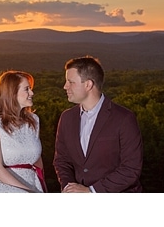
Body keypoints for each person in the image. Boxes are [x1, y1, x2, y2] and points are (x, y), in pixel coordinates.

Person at [54, 56, 142, 193]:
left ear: (88, 85)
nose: (65, 86)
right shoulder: (66, 118)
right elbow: (62, 161)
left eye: (71, 82)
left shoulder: (124, 118)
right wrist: (69, 188)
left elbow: (131, 169)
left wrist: (91, 191)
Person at [0, 70, 45, 193]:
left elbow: (37, 159)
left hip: (31, 184)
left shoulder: (33, 120)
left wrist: (40, 186)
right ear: (12, 93)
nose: (32, 93)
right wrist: (28, 192)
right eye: (26, 89)